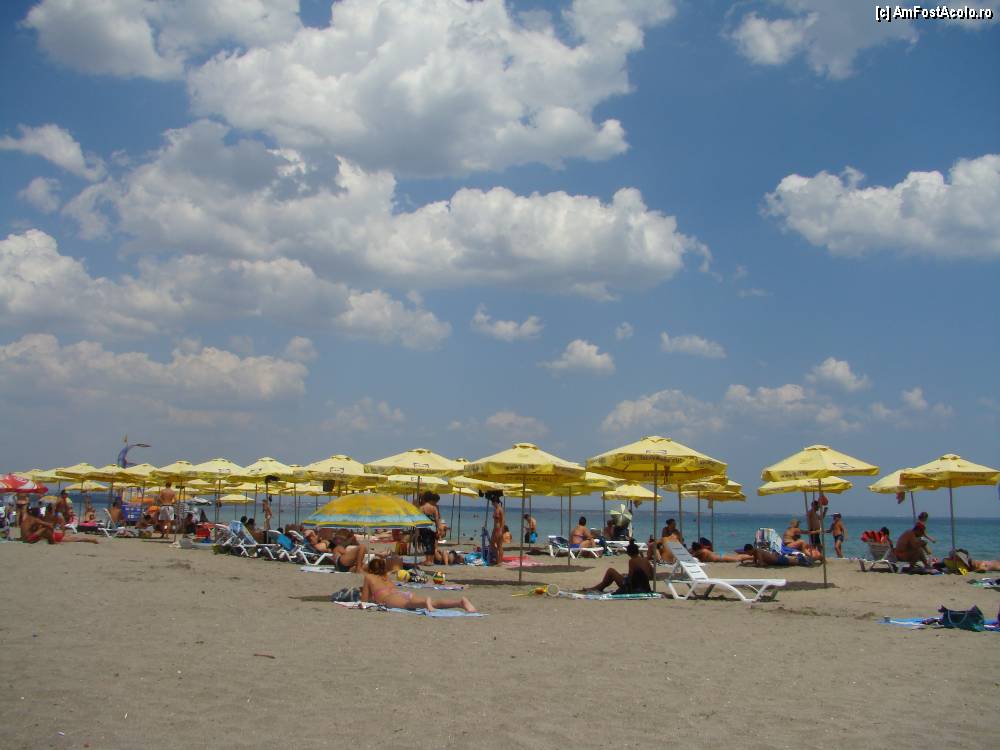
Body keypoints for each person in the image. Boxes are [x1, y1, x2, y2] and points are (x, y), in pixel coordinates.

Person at [361, 557, 476, 612]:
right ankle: (460, 603)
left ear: (370, 569)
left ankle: (425, 602)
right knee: (433, 603)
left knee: (409, 604)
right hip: (402, 593)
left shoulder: (369, 577)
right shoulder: (386, 577)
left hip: (389, 598)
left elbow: (364, 600)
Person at [581, 541, 653, 594]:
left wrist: (626, 577)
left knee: (611, 571)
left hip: (634, 587)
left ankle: (597, 588)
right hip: (644, 586)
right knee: (617, 575)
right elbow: (651, 575)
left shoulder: (632, 561)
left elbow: (631, 579)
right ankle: (598, 587)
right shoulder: (646, 560)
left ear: (629, 553)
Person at [417, 491, 441, 566]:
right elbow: (437, 519)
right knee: (432, 543)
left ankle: (428, 561)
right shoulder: (434, 508)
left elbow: (418, 520)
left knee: (426, 543)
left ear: (424, 498)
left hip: (424, 527)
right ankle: (431, 560)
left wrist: (417, 531)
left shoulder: (421, 508)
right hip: (433, 528)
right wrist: (438, 529)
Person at [748, 547, 815, 567]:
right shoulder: (755, 552)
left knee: (796, 562)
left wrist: (752, 566)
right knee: (792, 561)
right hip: (776, 559)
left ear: (750, 550)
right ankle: (800, 558)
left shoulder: (758, 552)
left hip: (777, 560)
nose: (747, 554)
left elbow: (762, 564)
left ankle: (802, 558)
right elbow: (756, 561)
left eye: (747, 552)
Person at [490, 493, 505, 565]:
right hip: (495, 528)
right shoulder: (496, 509)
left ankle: (499, 561)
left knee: (496, 545)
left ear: (495, 502)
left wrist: (501, 530)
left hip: (498, 529)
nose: (492, 504)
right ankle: (498, 560)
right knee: (496, 545)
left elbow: (503, 520)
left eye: (492, 502)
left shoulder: (500, 509)